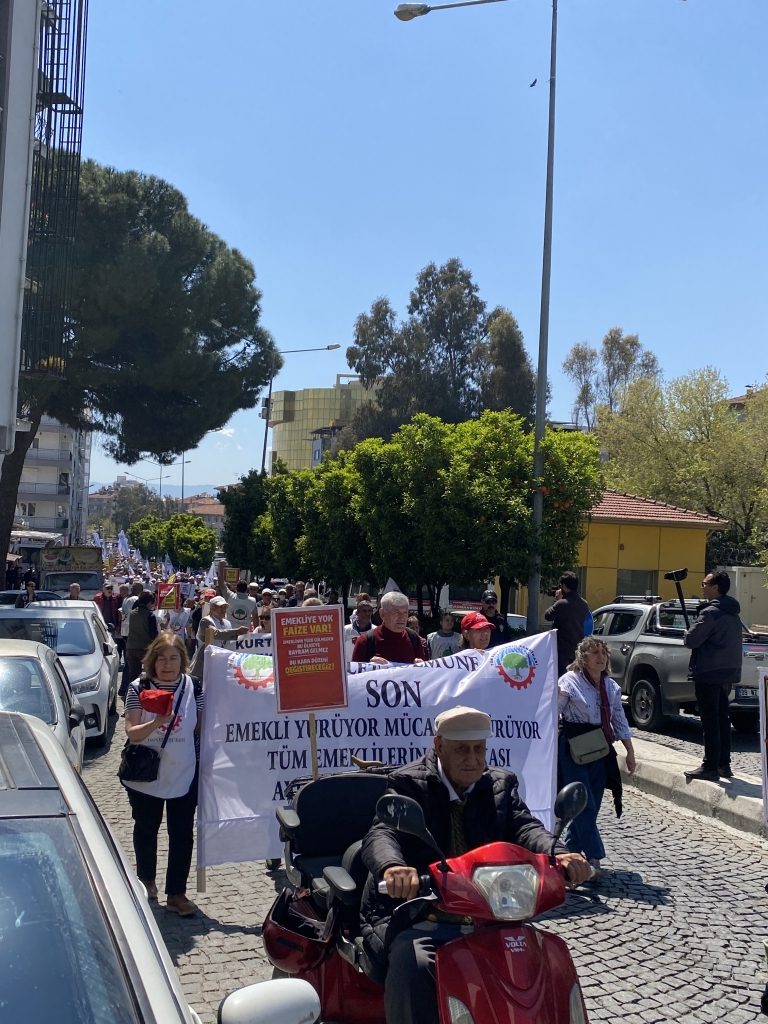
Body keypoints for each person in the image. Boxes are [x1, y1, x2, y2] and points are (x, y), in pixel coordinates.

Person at [360, 706, 591, 1024]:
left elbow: (526, 828)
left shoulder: (499, 785)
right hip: (424, 914)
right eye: (462, 749)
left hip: (492, 916)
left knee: (544, 957)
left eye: (479, 749)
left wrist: (559, 853)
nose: (472, 758)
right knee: (411, 963)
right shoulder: (408, 785)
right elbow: (382, 832)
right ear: (439, 745)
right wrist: (393, 866)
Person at [123, 633, 203, 916]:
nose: (167, 664)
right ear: (152, 660)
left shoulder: (194, 687)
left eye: (173, 658)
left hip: (184, 770)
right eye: (161, 658)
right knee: (146, 828)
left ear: (183, 660)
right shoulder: (137, 688)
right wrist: (158, 721)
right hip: (146, 772)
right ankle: (147, 881)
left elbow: (201, 728)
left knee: (182, 833)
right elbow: (132, 734)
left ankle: (177, 894)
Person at [557, 636, 636, 875]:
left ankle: (568, 854)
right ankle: (594, 856)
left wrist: (629, 751)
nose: (600, 657)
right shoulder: (569, 682)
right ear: (583, 657)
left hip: (600, 749)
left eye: (603, 653)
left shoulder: (610, 687)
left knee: (595, 803)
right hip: (573, 747)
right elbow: (552, 712)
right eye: (594, 653)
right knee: (585, 803)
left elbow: (619, 720)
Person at [683, 570, 743, 781]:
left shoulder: (711, 613)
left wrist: (687, 631)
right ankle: (723, 764)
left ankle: (710, 766)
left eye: (705, 583)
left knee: (710, 720)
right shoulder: (732, 611)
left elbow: (691, 640)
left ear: (715, 587)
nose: (702, 586)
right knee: (722, 719)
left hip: (708, 671)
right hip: (727, 672)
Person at [351, 591, 428, 665]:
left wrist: (420, 666)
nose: (402, 618)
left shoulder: (414, 638)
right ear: (382, 614)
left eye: (405, 612)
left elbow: (425, 675)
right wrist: (368, 666)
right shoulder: (365, 641)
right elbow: (355, 676)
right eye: (396, 612)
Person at [544, 572, 593, 677]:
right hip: (577, 648)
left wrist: (557, 600)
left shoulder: (562, 603)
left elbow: (548, 616)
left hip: (561, 649)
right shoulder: (584, 604)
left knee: (560, 679)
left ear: (564, 586)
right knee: (574, 678)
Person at [190, 596, 248, 678]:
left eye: (224, 607)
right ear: (212, 609)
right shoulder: (206, 621)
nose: (223, 610)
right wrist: (236, 632)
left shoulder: (227, 623)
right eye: (220, 607)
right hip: (205, 662)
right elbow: (214, 633)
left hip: (222, 661)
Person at [127, 592, 159, 681]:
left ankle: (133, 692)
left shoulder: (132, 613)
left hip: (131, 647)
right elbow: (154, 635)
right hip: (145, 649)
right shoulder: (150, 615)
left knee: (133, 675)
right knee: (151, 673)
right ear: (149, 602)